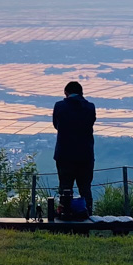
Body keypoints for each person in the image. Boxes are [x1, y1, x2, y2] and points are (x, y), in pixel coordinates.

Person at [53, 81, 96, 215]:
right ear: (82, 93)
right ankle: (88, 216)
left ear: (66, 93)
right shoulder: (90, 107)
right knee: (85, 188)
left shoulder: (59, 106)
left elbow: (56, 125)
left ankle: (65, 218)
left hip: (64, 154)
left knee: (65, 188)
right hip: (85, 155)